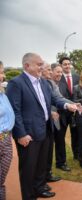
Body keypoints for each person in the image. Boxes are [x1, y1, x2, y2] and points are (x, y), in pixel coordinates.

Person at [6, 53, 79, 199]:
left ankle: (39, 188)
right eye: (38, 64)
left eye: (42, 64)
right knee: (28, 169)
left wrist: (67, 105)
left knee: (41, 165)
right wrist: (20, 134)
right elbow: (15, 111)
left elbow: (54, 100)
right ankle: (29, 196)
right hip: (28, 134)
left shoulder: (44, 83)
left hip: (46, 129)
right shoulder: (16, 83)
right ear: (27, 66)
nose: (42, 67)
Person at [57, 57, 80, 171]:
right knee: (60, 137)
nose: (67, 66)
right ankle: (61, 162)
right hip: (62, 112)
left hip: (75, 112)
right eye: (64, 64)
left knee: (76, 135)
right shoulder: (58, 77)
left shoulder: (77, 77)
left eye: (68, 64)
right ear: (61, 65)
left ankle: (77, 155)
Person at [0, 62, 15, 200]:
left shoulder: (2, 93)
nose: (3, 75)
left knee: (1, 180)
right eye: (0, 72)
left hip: (6, 139)